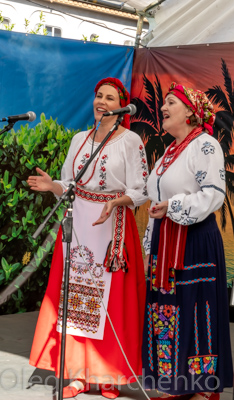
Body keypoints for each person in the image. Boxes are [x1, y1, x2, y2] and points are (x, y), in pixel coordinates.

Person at [28, 77, 148, 399]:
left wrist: (116, 201)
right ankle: (78, 374)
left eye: (109, 98)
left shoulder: (131, 141)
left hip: (112, 230)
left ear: (121, 107)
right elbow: (70, 184)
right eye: (98, 96)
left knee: (112, 301)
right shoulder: (80, 140)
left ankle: (109, 375)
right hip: (79, 225)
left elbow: (141, 190)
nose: (102, 102)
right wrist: (53, 186)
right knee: (77, 300)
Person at [142, 82, 233, 400]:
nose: (162, 108)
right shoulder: (169, 152)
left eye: (170, 102)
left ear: (192, 112)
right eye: (163, 103)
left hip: (194, 242)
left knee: (196, 312)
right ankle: (173, 383)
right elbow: (150, 191)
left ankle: (202, 388)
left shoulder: (205, 145)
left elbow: (213, 195)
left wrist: (174, 206)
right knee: (167, 311)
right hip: (165, 242)